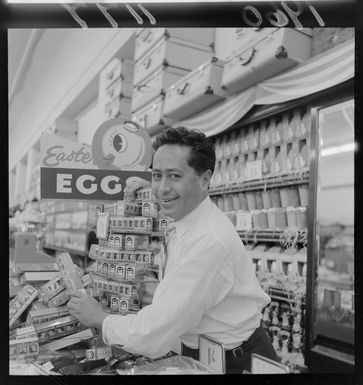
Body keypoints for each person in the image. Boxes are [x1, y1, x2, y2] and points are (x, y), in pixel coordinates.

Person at [67, 126, 278, 373]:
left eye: (174, 176)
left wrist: (99, 318)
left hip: (236, 362)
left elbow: (153, 334)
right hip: (203, 353)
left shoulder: (207, 242)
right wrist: (148, 185)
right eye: (157, 175)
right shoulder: (186, 216)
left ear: (205, 179)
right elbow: (167, 194)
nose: (162, 189)